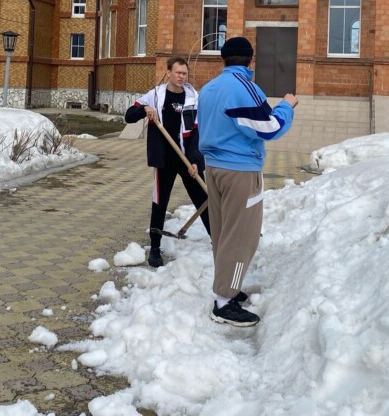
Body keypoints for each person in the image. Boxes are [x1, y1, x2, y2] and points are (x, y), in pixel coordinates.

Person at [198, 36, 297, 327]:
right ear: (250, 60)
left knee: (223, 232)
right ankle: (224, 302)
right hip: (240, 170)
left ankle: (226, 288)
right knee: (242, 236)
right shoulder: (244, 88)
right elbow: (268, 127)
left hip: (213, 168)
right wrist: (287, 106)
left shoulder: (209, 89)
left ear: (223, 59)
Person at [125, 57, 209, 268]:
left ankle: (219, 240)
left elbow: (197, 132)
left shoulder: (193, 98)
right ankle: (155, 247)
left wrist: (195, 161)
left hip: (187, 159)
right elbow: (129, 116)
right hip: (165, 160)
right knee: (159, 203)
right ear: (169, 72)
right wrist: (145, 110)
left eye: (184, 73)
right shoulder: (155, 95)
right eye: (178, 72)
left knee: (204, 198)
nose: (181, 77)